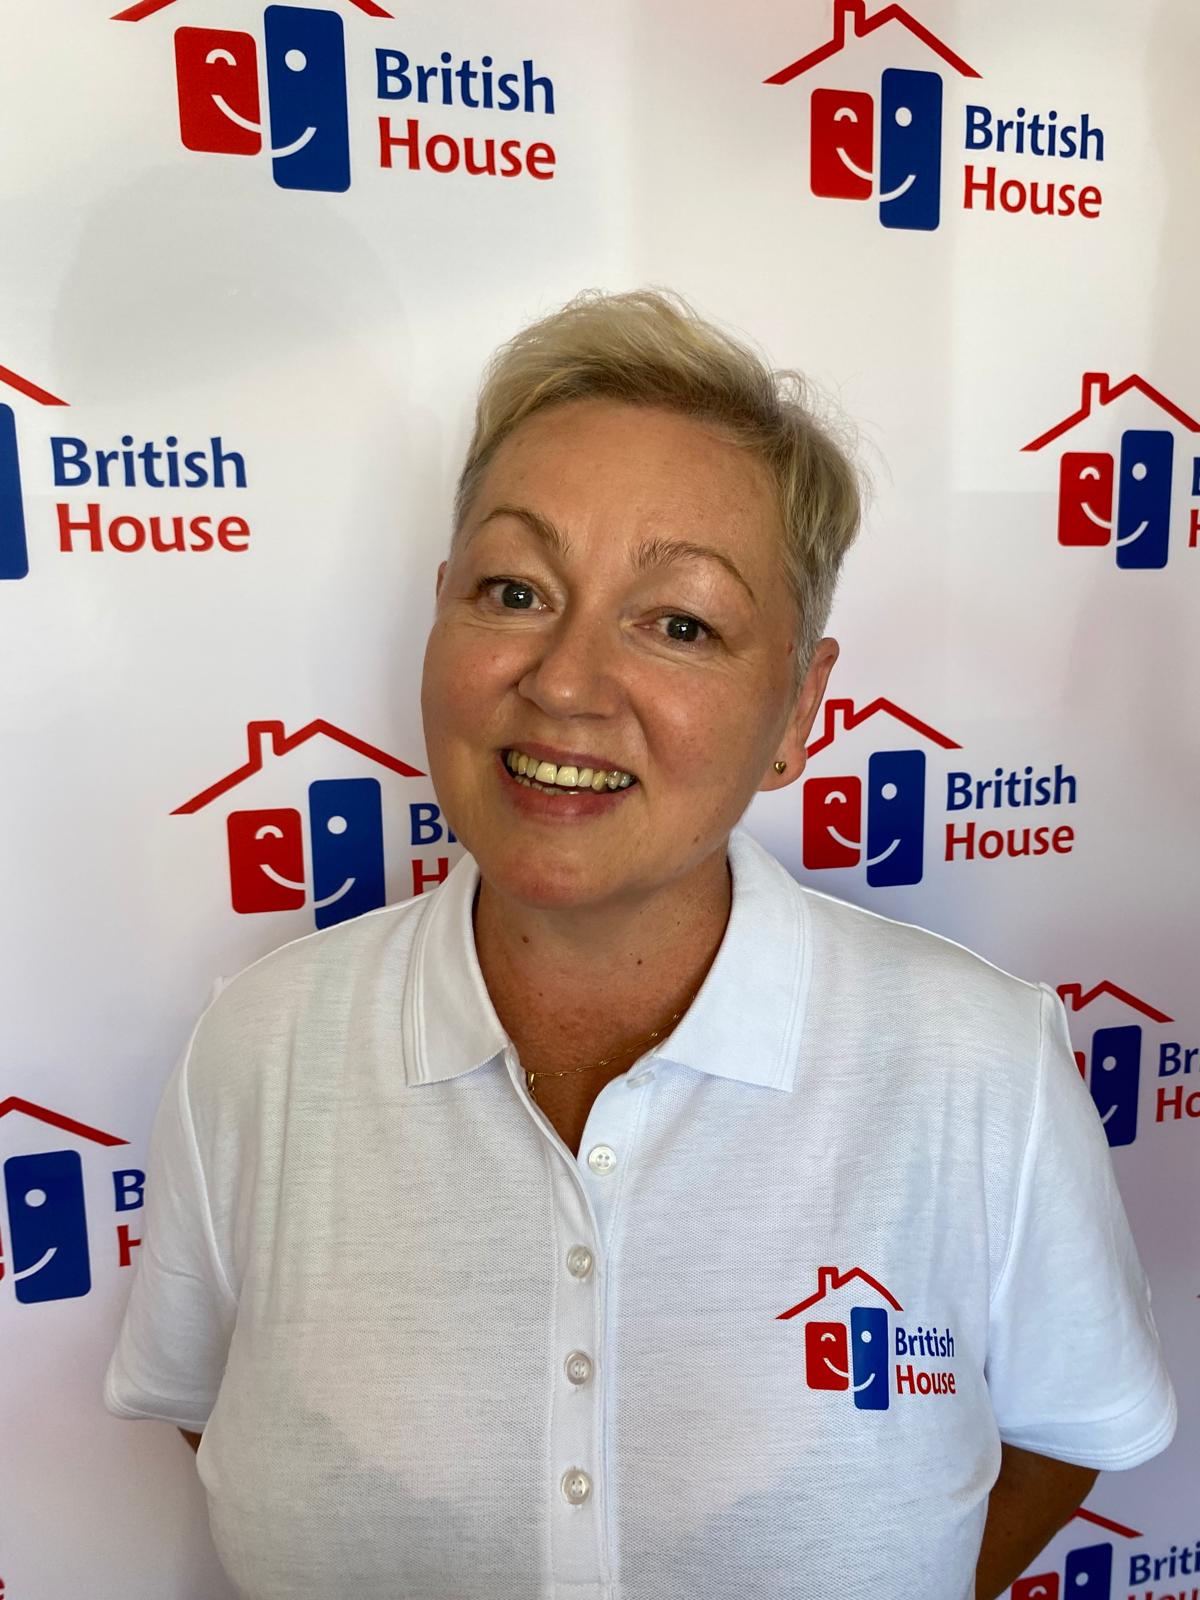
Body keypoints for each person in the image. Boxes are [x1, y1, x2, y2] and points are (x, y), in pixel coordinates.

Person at [105, 288, 1176, 1600]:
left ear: (799, 711)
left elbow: (1069, 1433)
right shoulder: (259, 1046)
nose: (563, 681)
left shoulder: (979, 1065)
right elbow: (210, 1412)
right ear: (441, 617)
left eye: (679, 623)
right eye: (515, 590)